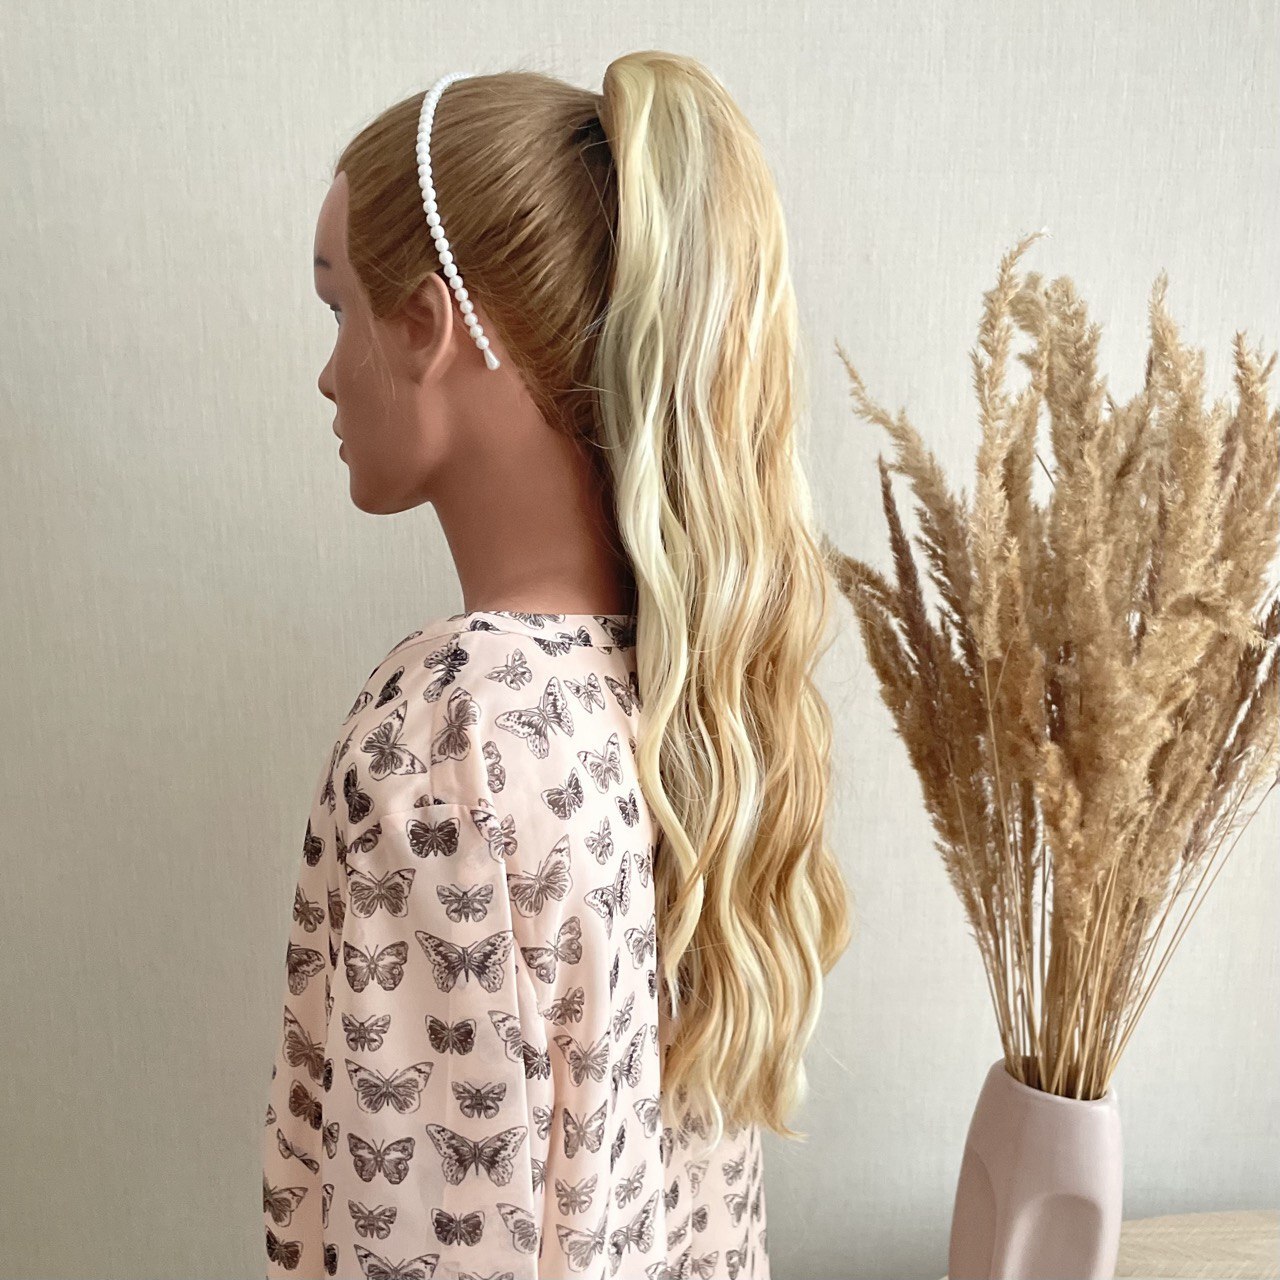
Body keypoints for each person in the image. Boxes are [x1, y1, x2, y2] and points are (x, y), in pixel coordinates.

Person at [261, 50, 853, 1280]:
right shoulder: (678, 698)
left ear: (426, 326)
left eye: (339, 308)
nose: (324, 372)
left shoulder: (456, 737)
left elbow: (421, 1236)